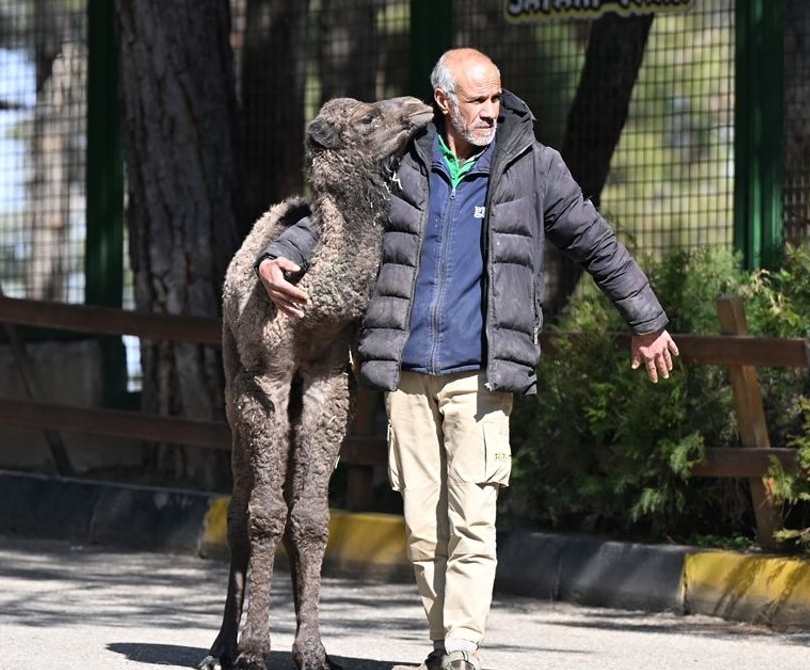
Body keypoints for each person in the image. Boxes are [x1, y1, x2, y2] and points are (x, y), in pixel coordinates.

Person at [256, 48, 678, 670]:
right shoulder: (402, 160)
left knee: (473, 515)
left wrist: (646, 320)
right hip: (407, 371)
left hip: (482, 370)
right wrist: (279, 252)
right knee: (425, 526)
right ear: (443, 103)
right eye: (478, 99)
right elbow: (336, 209)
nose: (492, 109)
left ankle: (461, 646)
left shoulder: (533, 165)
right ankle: (439, 641)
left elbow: (596, 241)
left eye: (496, 96)